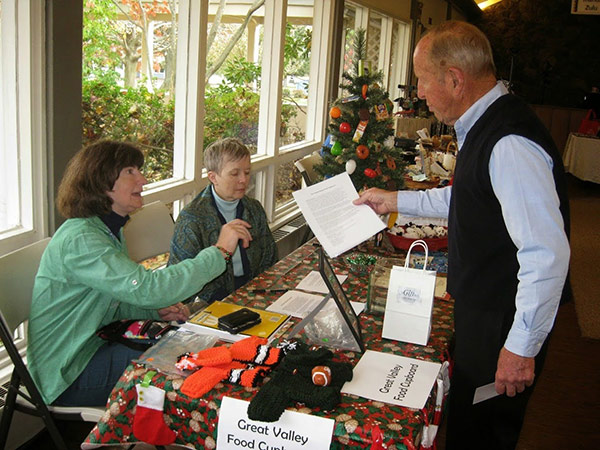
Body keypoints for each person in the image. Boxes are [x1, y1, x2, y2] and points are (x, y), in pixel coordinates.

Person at [354, 21, 570, 450]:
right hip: (487, 310)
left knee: (483, 434)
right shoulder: (485, 122)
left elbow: (546, 254)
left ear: (455, 79)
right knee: (470, 423)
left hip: (504, 321)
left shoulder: (508, 142)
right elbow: (469, 195)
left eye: (422, 80)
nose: (418, 92)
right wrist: (393, 199)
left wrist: (520, 348)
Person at [27, 140, 252, 407]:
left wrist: (154, 313)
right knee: (189, 365)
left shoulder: (105, 230)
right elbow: (149, 288)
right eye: (130, 172)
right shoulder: (82, 240)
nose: (143, 180)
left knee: (197, 351)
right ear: (101, 182)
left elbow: (108, 301)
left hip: (93, 347)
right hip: (67, 373)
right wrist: (219, 251)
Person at [168, 138, 277, 303]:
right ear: (213, 177)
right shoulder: (191, 219)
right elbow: (179, 281)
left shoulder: (254, 208)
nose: (243, 180)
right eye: (234, 173)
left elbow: (270, 257)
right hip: (213, 301)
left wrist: (262, 292)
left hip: (256, 291)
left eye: (247, 172)